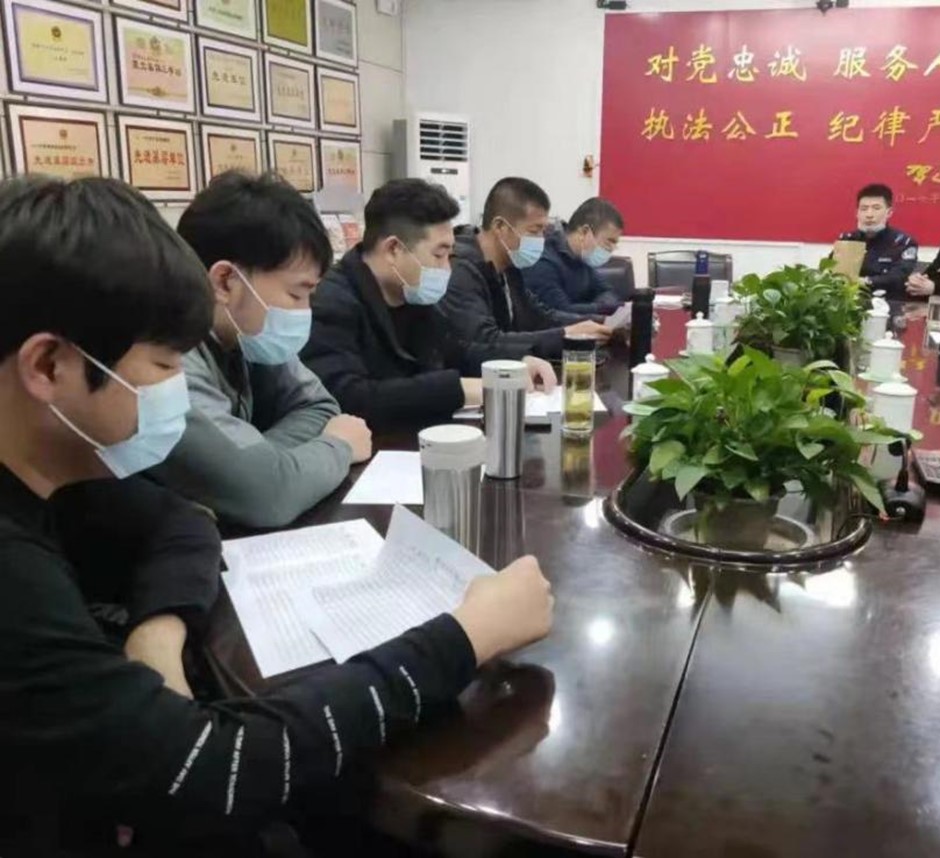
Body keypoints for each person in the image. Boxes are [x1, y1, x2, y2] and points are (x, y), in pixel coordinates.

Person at [0, 174, 553, 856]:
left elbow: (180, 522)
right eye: (165, 364)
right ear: (47, 365)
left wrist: (156, 633)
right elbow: (214, 769)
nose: (179, 392)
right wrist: (463, 638)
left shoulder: (62, 478)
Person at [147, 171, 372, 529]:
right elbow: (268, 498)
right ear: (225, 281)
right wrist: (337, 447)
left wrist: (260, 464)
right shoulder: (165, 363)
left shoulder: (248, 337)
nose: (304, 311)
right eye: (296, 294)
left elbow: (320, 407)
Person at [303, 179, 557, 433]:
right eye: (439, 255)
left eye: (450, 254)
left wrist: (511, 365)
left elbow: (456, 351)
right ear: (393, 249)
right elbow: (350, 397)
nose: (447, 268)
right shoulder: (332, 302)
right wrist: (461, 389)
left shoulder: (411, 293)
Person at [440, 177, 612, 359]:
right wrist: (565, 335)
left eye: (543, 231)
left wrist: (602, 324)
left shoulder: (509, 266)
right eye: (534, 231)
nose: (541, 240)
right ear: (500, 227)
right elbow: (486, 341)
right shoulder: (461, 270)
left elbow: (539, 317)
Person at [523, 197, 624, 316]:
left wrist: (602, 307)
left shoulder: (583, 258)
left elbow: (606, 291)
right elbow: (561, 312)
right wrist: (602, 308)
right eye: (610, 241)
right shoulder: (542, 261)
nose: (612, 248)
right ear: (584, 232)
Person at [838, 183, 919, 299]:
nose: (869, 215)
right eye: (864, 209)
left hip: (889, 302)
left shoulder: (903, 242)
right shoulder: (847, 239)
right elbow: (836, 274)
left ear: (889, 212)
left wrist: (866, 281)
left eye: (876, 208)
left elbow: (898, 276)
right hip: (851, 301)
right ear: (857, 213)